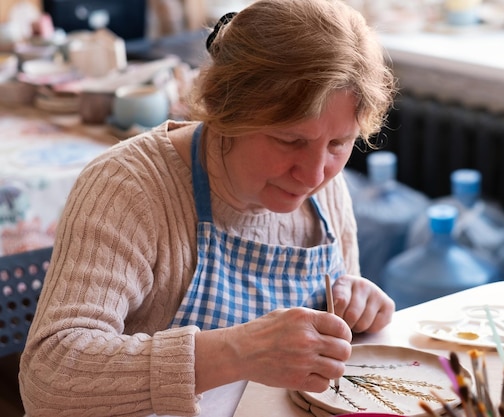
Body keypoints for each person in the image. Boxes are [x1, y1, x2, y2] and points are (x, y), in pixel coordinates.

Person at [19, 0, 397, 415]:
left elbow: (330, 344)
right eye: (290, 141)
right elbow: (50, 376)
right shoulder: (129, 187)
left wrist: (357, 305)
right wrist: (237, 352)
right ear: (224, 111)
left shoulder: (325, 187)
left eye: (338, 144)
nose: (312, 175)